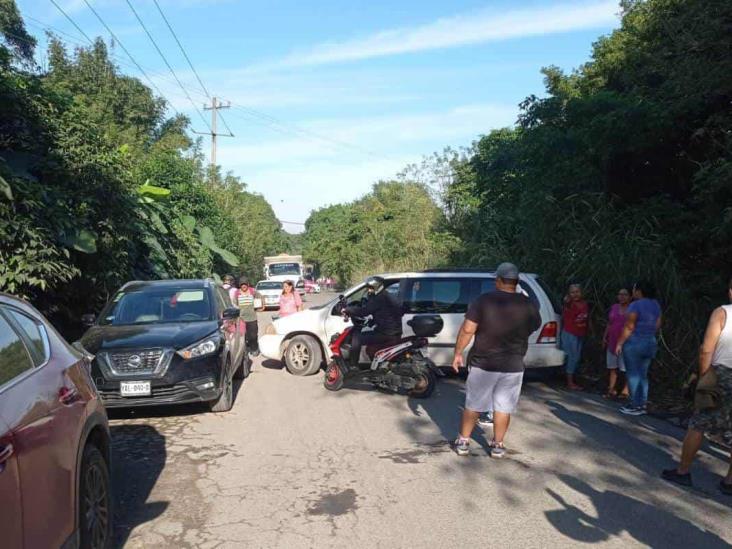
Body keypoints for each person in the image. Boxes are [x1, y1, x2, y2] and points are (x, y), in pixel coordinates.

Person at [452, 263, 541, 458]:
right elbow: (535, 325)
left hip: (484, 363)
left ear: (499, 280)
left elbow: (468, 329)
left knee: (474, 404)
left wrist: (458, 352)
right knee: (503, 408)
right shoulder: (527, 305)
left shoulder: (484, 301)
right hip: (513, 365)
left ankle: (464, 442)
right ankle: (498, 445)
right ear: (516, 282)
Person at [661, 277, 732, 495]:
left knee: (699, 423)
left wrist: (704, 377)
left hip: (719, 374)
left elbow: (706, 349)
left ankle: (683, 471)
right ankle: (729, 482)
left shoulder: (723, 313)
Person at [615, 280, 662, 416]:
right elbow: (658, 324)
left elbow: (629, 326)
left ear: (640, 291)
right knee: (643, 374)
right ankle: (642, 403)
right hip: (650, 341)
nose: (633, 291)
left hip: (635, 342)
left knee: (633, 374)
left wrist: (620, 343)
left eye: (634, 289)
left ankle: (635, 404)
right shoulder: (655, 304)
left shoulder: (635, 305)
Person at [346, 276, 403, 367]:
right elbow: (385, 313)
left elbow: (363, 311)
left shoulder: (379, 298)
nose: (369, 290)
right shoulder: (387, 296)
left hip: (387, 333)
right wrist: (374, 321)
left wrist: (347, 309)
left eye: (371, 288)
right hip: (393, 331)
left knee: (357, 337)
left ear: (377, 287)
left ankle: (353, 366)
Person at [603, 287, 631, 399]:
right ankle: (611, 389)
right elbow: (609, 323)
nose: (622, 297)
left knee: (626, 368)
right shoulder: (614, 307)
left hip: (625, 342)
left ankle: (626, 390)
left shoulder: (632, 309)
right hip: (612, 341)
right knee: (612, 367)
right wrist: (604, 337)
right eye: (620, 294)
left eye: (625, 294)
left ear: (630, 296)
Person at [561, 283, 589, 390]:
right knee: (572, 357)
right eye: (572, 292)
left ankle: (571, 379)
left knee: (576, 357)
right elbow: (566, 304)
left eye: (577, 292)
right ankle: (570, 382)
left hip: (580, 333)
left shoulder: (584, 304)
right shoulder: (569, 303)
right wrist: (567, 301)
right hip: (570, 333)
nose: (575, 294)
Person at [238, 278, 264, 357]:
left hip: (252, 318)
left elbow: (261, 297)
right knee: (243, 336)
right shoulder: (237, 293)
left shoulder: (252, 291)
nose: (244, 286)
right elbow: (234, 303)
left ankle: (254, 349)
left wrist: (262, 306)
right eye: (242, 285)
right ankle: (245, 350)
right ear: (240, 286)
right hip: (241, 319)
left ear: (248, 285)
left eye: (245, 284)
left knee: (253, 335)